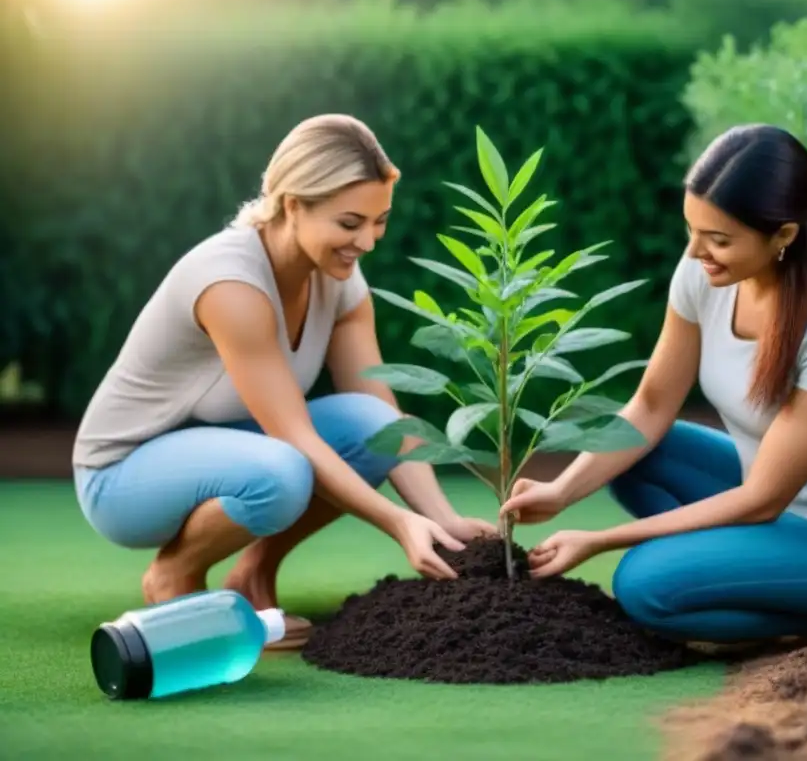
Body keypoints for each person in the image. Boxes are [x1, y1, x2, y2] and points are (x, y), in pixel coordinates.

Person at [72, 114, 495, 649]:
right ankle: (173, 574)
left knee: (371, 425)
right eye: (349, 223)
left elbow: (383, 416)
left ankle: (252, 574)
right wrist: (398, 524)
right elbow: (293, 435)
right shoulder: (231, 284)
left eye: (379, 221)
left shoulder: (338, 276)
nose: (367, 240)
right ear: (293, 204)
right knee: (284, 472)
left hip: (232, 449)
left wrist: (444, 520)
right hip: (123, 476)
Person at [499, 123, 807, 645]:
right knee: (632, 449)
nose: (697, 252)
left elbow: (764, 498)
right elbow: (651, 405)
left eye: (719, 239)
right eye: (691, 230)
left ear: (783, 236)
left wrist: (602, 539)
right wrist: (561, 492)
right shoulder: (707, 270)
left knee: (645, 585)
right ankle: (722, 571)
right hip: (760, 498)